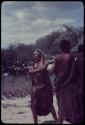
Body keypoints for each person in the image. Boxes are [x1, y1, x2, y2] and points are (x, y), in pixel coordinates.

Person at [52, 40, 83, 124]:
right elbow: (76, 72)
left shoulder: (56, 57)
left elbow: (53, 71)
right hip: (70, 86)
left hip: (59, 85)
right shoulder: (71, 57)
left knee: (61, 108)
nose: (70, 47)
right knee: (73, 109)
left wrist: (60, 76)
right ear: (67, 46)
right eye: (69, 46)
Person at [28, 49, 57, 124]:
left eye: (36, 54)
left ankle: (56, 120)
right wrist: (37, 70)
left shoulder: (45, 61)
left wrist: (35, 70)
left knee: (49, 104)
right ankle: (35, 122)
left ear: (40, 55)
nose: (34, 55)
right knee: (33, 105)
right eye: (34, 54)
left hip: (45, 86)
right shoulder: (33, 64)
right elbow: (29, 72)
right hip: (35, 87)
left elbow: (43, 68)